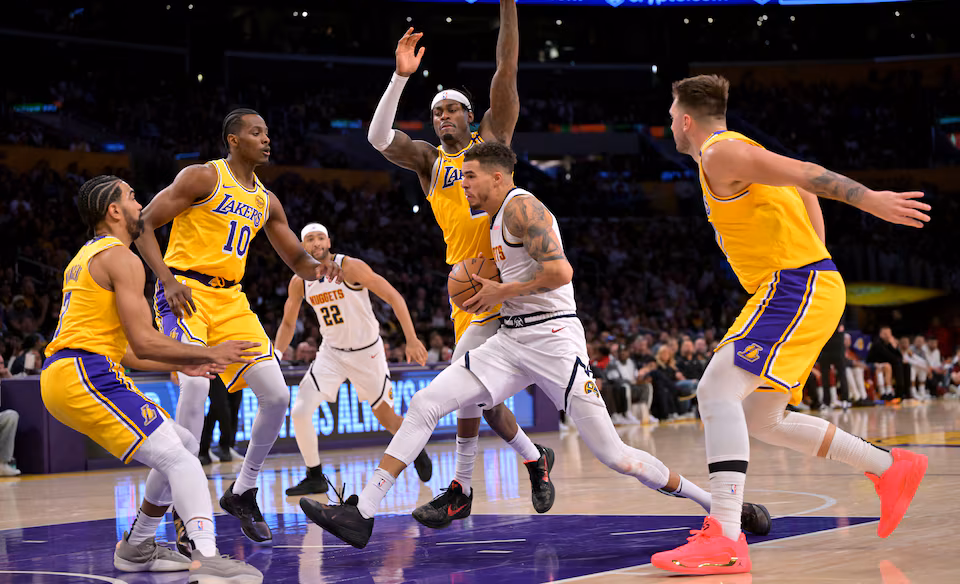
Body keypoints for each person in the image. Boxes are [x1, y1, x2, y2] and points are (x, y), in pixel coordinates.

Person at [299, 142, 770, 549]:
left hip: (553, 339)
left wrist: (500, 291)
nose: (462, 183)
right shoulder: (494, 217)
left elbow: (562, 272)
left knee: (615, 455)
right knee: (424, 402)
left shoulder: (524, 208)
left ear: (498, 176)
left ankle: (721, 505)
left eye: (469, 176)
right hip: (511, 338)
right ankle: (362, 511)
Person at [653, 75, 930, 575]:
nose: (669, 122)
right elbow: (801, 188)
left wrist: (869, 199)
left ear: (686, 120)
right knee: (761, 418)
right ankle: (891, 468)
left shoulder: (720, 153)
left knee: (715, 390)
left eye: (671, 115)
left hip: (793, 283)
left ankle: (726, 535)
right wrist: (819, 251)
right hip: (800, 281)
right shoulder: (736, 151)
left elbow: (808, 172)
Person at [365, 0, 553, 527]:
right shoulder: (427, 161)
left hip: (515, 272)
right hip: (466, 285)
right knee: (473, 393)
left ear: (472, 119)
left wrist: (507, 3)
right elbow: (377, 138)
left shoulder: (489, 143)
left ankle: (469, 483)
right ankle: (526, 460)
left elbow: (506, 72)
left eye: (452, 109)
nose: (443, 115)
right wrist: (400, 76)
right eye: (437, 110)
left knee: (472, 387)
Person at [40, 175, 262, 581]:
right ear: (114, 211)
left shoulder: (88, 256)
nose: (139, 203)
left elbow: (123, 348)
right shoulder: (122, 258)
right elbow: (143, 342)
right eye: (131, 195)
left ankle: (137, 545)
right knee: (181, 459)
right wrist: (209, 352)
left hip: (82, 371)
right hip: (84, 373)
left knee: (183, 442)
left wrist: (182, 364)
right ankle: (207, 556)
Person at [135, 109, 341, 545]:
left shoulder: (267, 201)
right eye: (256, 132)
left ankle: (243, 490)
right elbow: (143, 224)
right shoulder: (203, 177)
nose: (266, 139)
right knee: (193, 388)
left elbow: (297, 261)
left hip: (231, 301)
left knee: (277, 394)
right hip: (186, 290)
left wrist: (324, 268)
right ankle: (180, 509)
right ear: (233, 140)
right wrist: (167, 280)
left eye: (267, 132)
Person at [275, 223, 432, 496]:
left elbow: (393, 296)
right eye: (309, 239)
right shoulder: (299, 281)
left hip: (367, 352)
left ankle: (415, 447)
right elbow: (288, 323)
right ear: (302, 247)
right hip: (332, 354)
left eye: (320, 237)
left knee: (386, 418)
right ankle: (315, 476)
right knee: (300, 411)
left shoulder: (349, 267)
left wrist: (411, 338)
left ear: (329, 242)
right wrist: (275, 356)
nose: (316, 243)